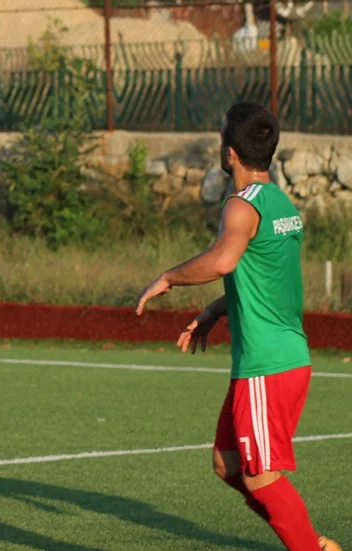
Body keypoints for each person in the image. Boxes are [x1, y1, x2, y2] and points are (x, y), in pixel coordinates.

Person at [136, 101, 342, 551]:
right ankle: (309, 542)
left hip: (268, 363)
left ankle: (308, 546)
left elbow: (223, 261)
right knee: (227, 463)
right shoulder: (280, 202)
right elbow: (266, 281)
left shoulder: (241, 205)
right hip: (278, 358)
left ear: (229, 152)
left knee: (259, 476)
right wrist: (215, 310)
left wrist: (167, 277)